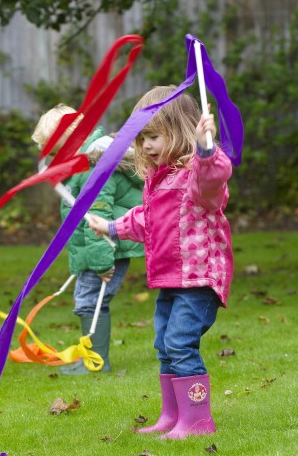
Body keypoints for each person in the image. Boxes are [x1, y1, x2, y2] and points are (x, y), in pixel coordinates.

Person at [88, 86, 234, 438]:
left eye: (153, 136)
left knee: (180, 343)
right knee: (164, 345)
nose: (147, 146)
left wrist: (205, 149)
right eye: (142, 139)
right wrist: (111, 227)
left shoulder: (195, 176)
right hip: (170, 279)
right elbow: (146, 219)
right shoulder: (159, 179)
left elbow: (215, 179)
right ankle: (173, 415)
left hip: (198, 279)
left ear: (181, 130)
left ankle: (198, 421)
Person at [32, 104, 144, 375]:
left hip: (106, 248)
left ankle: (97, 362)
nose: (56, 158)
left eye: (57, 150)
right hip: (94, 248)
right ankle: (91, 359)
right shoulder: (83, 164)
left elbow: (97, 217)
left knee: (91, 302)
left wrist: (102, 263)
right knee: (86, 299)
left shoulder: (96, 166)